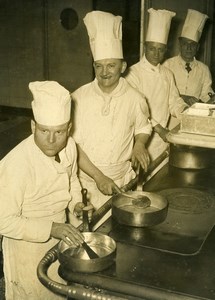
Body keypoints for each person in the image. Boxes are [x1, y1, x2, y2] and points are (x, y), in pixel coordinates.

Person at [0, 81, 85, 300]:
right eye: (44, 130)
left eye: (58, 132)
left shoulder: (71, 147)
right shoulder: (17, 163)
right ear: (32, 127)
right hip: (25, 246)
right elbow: (3, 221)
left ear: (69, 128)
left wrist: (76, 203)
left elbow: (72, 179)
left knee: (58, 292)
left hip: (59, 238)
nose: (51, 140)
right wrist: (51, 228)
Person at [71, 11, 152, 229]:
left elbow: (144, 126)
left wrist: (140, 143)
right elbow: (72, 147)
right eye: (99, 65)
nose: (104, 72)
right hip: (85, 183)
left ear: (123, 67)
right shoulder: (78, 98)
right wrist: (98, 177)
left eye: (111, 65)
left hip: (120, 183)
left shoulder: (135, 98)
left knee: (118, 238)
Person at [125, 8, 188, 170]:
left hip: (162, 140)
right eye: (152, 48)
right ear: (145, 46)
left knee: (160, 181)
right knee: (140, 184)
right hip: (140, 141)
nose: (156, 53)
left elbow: (174, 101)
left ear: (165, 49)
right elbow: (139, 111)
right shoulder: (133, 73)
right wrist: (160, 129)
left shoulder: (167, 73)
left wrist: (187, 113)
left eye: (160, 49)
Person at [163, 9, 215, 107]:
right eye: (185, 43)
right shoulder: (168, 65)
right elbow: (161, 92)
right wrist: (183, 97)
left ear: (198, 47)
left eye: (193, 45)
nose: (189, 48)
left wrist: (212, 99)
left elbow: (206, 94)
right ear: (180, 44)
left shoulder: (203, 69)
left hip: (193, 116)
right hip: (171, 118)